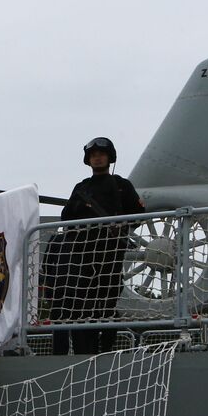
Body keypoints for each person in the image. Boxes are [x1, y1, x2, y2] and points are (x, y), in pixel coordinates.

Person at [46, 136, 145, 355]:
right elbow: (67, 219)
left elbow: (139, 215)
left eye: (101, 155)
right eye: (93, 155)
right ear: (88, 160)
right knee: (82, 307)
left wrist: (121, 225)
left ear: (109, 158)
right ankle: (85, 354)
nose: (97, 158)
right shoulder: (82, 188)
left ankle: (105, 350)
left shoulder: (122, 186)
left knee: (108, 304)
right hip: (82, 254)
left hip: (110, 253)